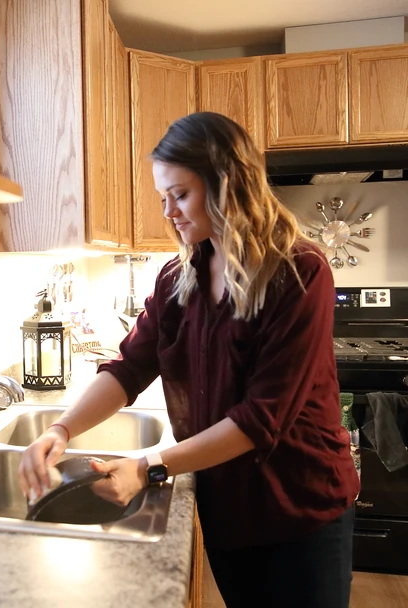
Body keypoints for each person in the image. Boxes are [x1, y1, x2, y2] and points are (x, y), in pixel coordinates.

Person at [18, 112, 360, 608]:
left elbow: (260, 418)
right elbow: (128, 367)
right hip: (230, 509)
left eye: (180, 194)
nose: (169, 212)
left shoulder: (299, 273)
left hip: (301, 508)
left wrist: (149, 466)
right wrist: (61, 430)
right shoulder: (179, 278)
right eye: (163, 198)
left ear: (227, 185)